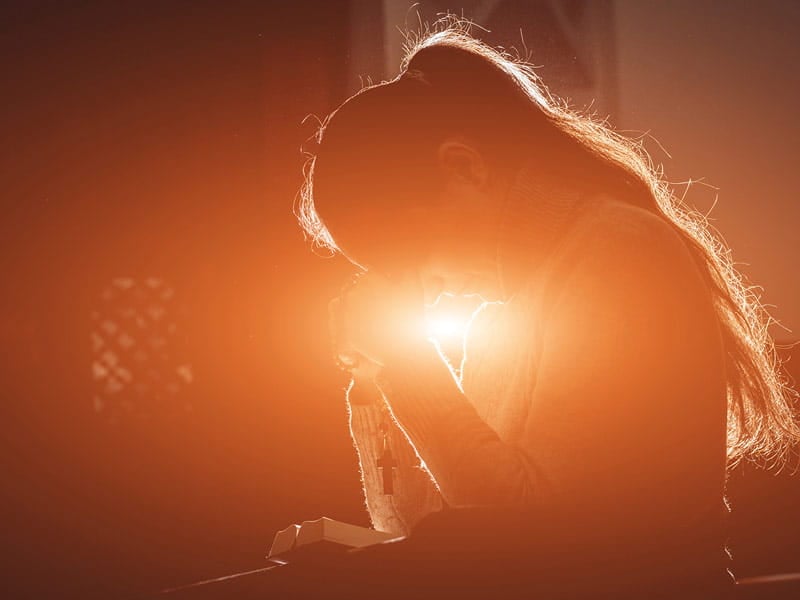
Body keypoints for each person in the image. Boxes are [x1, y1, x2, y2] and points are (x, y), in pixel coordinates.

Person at [294, 20, 799, 600]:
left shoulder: (618, 248)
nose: (426, 288)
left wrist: (410, 370)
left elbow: (533, 531)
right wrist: (374, 378)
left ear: (464, 168)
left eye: (415, 256)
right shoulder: (498, 312)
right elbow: (420, 523)